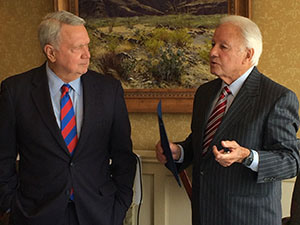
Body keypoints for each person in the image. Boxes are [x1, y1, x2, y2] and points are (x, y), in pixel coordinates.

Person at [156, 15, 300, 225]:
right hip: (204, 215)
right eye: (213, 44)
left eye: (223, 46)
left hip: (248, 218)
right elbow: (201, 145)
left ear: (248, 55)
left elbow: (291, 161)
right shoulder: (205, 93)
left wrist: (247, 156)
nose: (212, 52)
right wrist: (179, 152)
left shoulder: (277, 97)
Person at [0, 10, 136, 225]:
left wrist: (118, 206)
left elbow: (123, 156)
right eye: (77, 48)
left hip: (98, 213)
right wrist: (10, 206)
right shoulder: (16, 91)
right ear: (51, 53)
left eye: (87, 45)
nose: (87, 54)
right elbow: (3, 156)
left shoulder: (109, 90)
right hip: (36, 214)